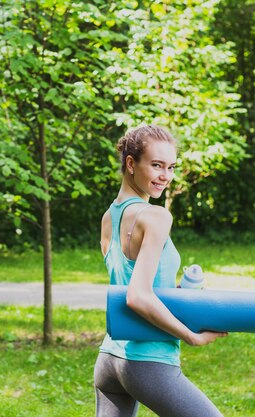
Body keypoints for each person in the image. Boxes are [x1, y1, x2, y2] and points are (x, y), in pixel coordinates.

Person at [94, 125, 227, 417]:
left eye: (171, 167)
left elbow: (132, 282)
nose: (165, 176)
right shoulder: (155, 217)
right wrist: (191, 336)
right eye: (156, 165)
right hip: (148, 360)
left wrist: (180, 295)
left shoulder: (109, 217)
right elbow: (138, 296)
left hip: (110, 360)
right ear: (131, 163)